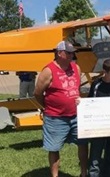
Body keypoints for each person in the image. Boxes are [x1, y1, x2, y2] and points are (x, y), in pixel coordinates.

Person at [34, 40, 88, 177]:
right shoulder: (48, 70)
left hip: (76, 115)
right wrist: (47, 107)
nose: (72, 56)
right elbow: (38, 93)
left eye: (73, 53)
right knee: (54, 148)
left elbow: (77, 89)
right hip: (55, 117)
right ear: (59, 53)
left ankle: (83, 173)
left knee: (83, 144)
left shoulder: (77, 68)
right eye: (69, 53)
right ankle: (55, 175)